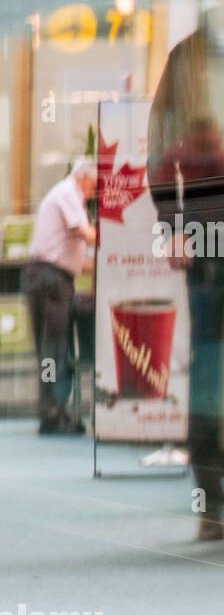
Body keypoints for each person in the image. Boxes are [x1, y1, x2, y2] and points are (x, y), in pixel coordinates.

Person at [148, 109, 224, 541]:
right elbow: (160, 176)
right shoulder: (184, 146)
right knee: (210, 376)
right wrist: (175, 230)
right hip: (209, 265)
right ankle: (213, 499)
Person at [23, 159, 97, 435]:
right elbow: (83, 232)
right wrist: (111, 237)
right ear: (84, 178)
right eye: (94, 185)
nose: (93, 192)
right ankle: (53, 413)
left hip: (46, 277)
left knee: (50, 349)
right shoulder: (68, 193)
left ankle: (51, 411)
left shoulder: (65, 194)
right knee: (53, 348)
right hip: (51, 279)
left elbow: (73, 250)